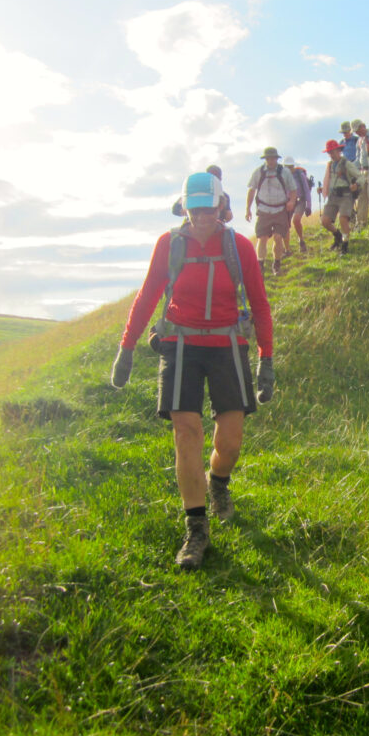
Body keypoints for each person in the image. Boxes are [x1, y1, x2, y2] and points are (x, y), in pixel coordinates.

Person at [110, 171, 274, 570]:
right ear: (184, 207)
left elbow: (259, 302)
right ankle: (196, 529)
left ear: (221, 207)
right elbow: (149, 294)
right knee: (187, 431)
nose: (201, 217)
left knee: (230, 443)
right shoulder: (169, 245)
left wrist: (266, 358)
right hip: (180, 345)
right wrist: (126, 348)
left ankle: (218, 483)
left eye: (208, 209)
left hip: (227, 346)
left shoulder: (239, 246)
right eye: (194, 208)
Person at [246, 147, 297, 276]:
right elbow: (251, 190)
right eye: (268, 158)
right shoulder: (258, 172)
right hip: (264, 210)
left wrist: (291, 201)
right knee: (262, 238)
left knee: (278, 237)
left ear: (276, 158)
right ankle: (260, 265)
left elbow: (293, 189)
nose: (270, 161)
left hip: (280, 209)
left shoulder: (284, 172)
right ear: (265, 159)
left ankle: (277, 264)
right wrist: (248, 209)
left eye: (272, 158)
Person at [320, 139, 361, 255]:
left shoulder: (346, 163)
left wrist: (356, 185)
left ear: (339, 151)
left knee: (343, 219)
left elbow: (360, 177)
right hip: (333, 196)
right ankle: (337, 236)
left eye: (333, 151)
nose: (332, 155)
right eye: (330, 152)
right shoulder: (330, 165)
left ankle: (345, 245)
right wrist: (324, 189)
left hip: (346, 195)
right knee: (325, 221)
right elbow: (328, 181)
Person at [282, 157, 312, 254]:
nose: (288, 169)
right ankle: (287, 250)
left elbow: (306, 190)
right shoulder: (282, 177)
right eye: (286, 167)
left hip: (300, 201)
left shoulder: (300, 175)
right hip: (287, 202)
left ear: (293, 166)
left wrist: (309, 206)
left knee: (296, 220)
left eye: (290, 167)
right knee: (285, 225)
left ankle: (301, 240)